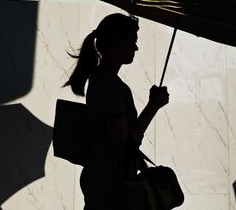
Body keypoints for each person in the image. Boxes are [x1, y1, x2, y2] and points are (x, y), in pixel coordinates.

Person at [63, 13, 170, 209]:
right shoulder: (109, 85)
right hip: (110, 187)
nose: (136, 47)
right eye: (133, 41)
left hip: (102, 182)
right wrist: (153, 106)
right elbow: (123, 145)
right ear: (117, 43)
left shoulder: (99, 79)